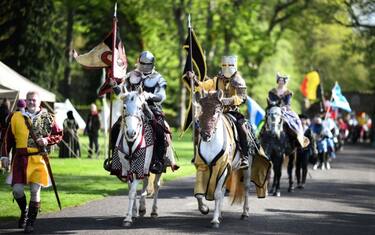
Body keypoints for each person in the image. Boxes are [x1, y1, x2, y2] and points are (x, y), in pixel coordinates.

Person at [0, 91, 62, 233]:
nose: (31, 102)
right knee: (17, 190)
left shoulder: (48, 117)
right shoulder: (16, 117)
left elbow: (58, 134)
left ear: (39, 102)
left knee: (35, 190)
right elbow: (7, 139)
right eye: (29, 100)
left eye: (34, 100)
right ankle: (25, 211)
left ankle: (31, 222)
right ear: (25, 101)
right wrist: (4, 156)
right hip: (20, 159)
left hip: (38, 159)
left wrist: (47, 140)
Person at [111, 50, 173, 174]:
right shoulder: (130, 76)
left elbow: (162, 96)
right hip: (132, 109)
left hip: (151, 108)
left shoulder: (158, 78)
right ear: (138, 62)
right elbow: (123, 94)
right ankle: (114, 158)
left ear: (152, 64)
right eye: (142, 63)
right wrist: (115, 87)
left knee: (160, 131)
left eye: (147, 64)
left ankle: (158, 160)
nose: (144, 66)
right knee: (115, 128)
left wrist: (149, 95)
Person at [188, 55, 253, 169]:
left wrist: (225, 101)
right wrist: (194, 79)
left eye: (230, 65)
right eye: (225, 65)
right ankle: (198, 154)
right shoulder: (216, 79)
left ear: (234, 65)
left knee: (243, 128)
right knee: (200, 125)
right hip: (215, 111)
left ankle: (244, 157)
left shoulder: (239, 80)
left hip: (232, 112)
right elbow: (204, 86)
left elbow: (242, 98)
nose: (227, 67)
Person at [266, 73, 309, 148]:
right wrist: (274, 106)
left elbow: (288, 103)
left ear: (285, 82)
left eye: (282, 81)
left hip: (285, 110)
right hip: (273, 109)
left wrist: (284, 107)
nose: (281, 82)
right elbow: (271, 101)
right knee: (266, 119)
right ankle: (260, 136)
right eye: (280, 80)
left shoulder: (288, 93)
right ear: (277, 81)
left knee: (296, 120)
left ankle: (299, 137)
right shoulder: (272, 92)